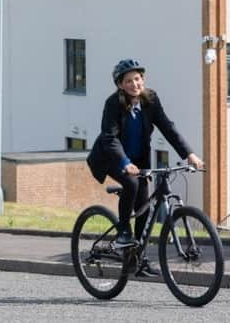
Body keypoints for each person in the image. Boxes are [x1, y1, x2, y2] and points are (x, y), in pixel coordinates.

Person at [87, 59, 204, 277]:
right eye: (128, 81)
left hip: (139, 160)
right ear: (120, 85)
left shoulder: (151, 100)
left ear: (143, 80)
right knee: (131, 183)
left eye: (137, 79)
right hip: (111, 157)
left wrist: (190, 154)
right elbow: (109, 138)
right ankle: (123, 232)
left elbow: (168, 127)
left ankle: (137, 260)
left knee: (145, 205)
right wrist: (125, 163)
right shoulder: (113, 104)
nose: (134, 84)